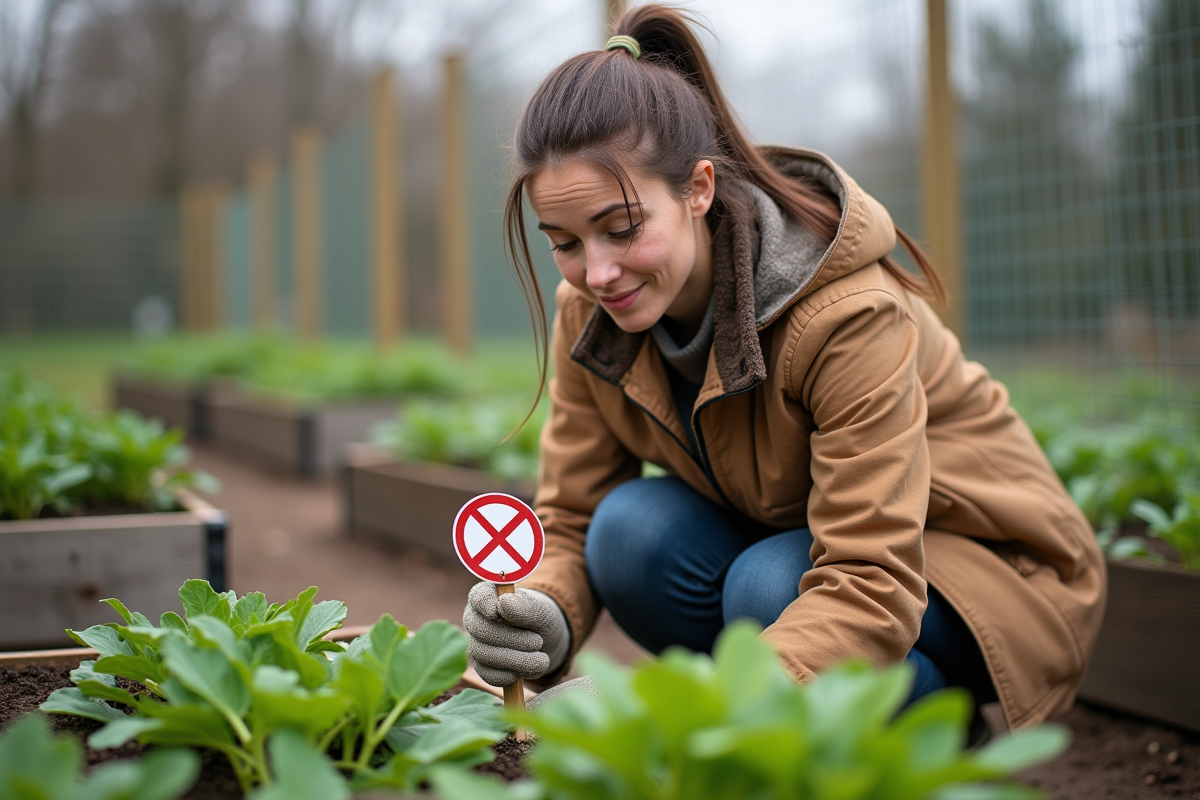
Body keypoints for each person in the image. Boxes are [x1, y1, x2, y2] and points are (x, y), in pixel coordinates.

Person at [462, 4, 1106, 731]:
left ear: (698, 189)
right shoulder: (590, 313)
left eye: (621, 229)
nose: (598, 271)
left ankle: (936, 728)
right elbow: (574, 518)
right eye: (565, 242)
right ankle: (779, 728)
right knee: (629, 532)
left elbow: (869, 577)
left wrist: (682, 716)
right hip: (799, 546)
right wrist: (543, 609)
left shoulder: (844, 313)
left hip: (982, 574)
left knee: (770, 585)